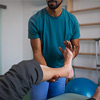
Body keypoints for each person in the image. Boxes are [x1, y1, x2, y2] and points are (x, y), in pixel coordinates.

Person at [0, 47, 100, 100]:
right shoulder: (36, 19)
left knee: (26, 68)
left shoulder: (70, 20)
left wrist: (48, 73)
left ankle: (65, 69)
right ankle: (66, 70)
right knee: (27, 69)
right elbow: (37, 52)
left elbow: (76, 46)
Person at [28, 0, 80, 99]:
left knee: (56, 98)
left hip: (60, 70)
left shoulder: (72, 20)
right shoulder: (35, 20)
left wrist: (69, 57)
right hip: (41, 69)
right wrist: (49, 73)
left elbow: (76, 48)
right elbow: (37, 52)